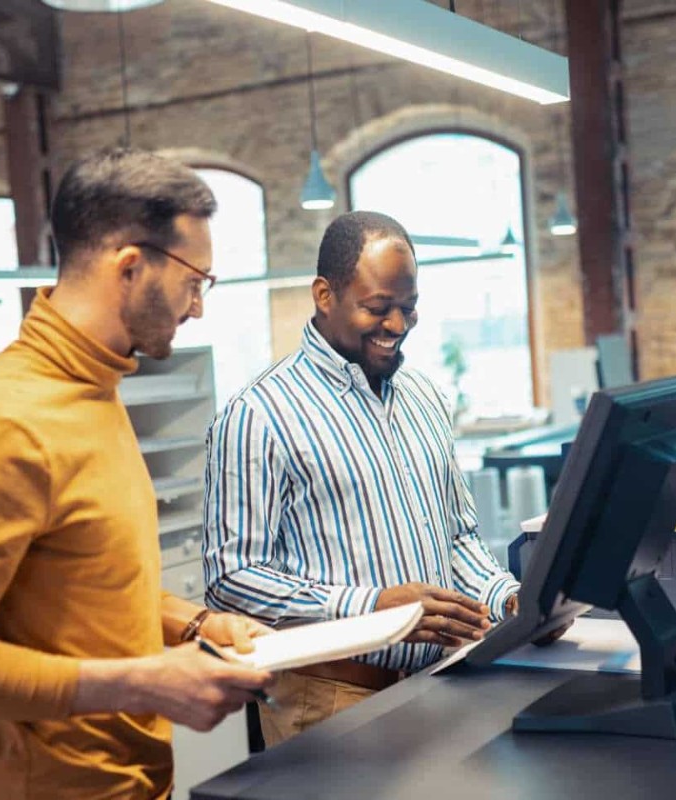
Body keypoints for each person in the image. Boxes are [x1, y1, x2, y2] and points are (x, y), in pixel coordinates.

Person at [0, 149, 274, 800]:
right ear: (130, 266)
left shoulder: (94, 389)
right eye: (194, 281)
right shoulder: (5, 425)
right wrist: (139, 681)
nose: (198, 307)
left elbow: (83, 587)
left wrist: (198, 626)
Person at [203, 210, 546, 745]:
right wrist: (373, 607)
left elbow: (457, 538)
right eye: (377, 308)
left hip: (441, 684)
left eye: (408, 308)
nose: (397, 326)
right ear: (324, 295)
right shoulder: (258, 414)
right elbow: (232, 578)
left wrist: (508, 599)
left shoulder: (425, 398)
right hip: (330, 700)